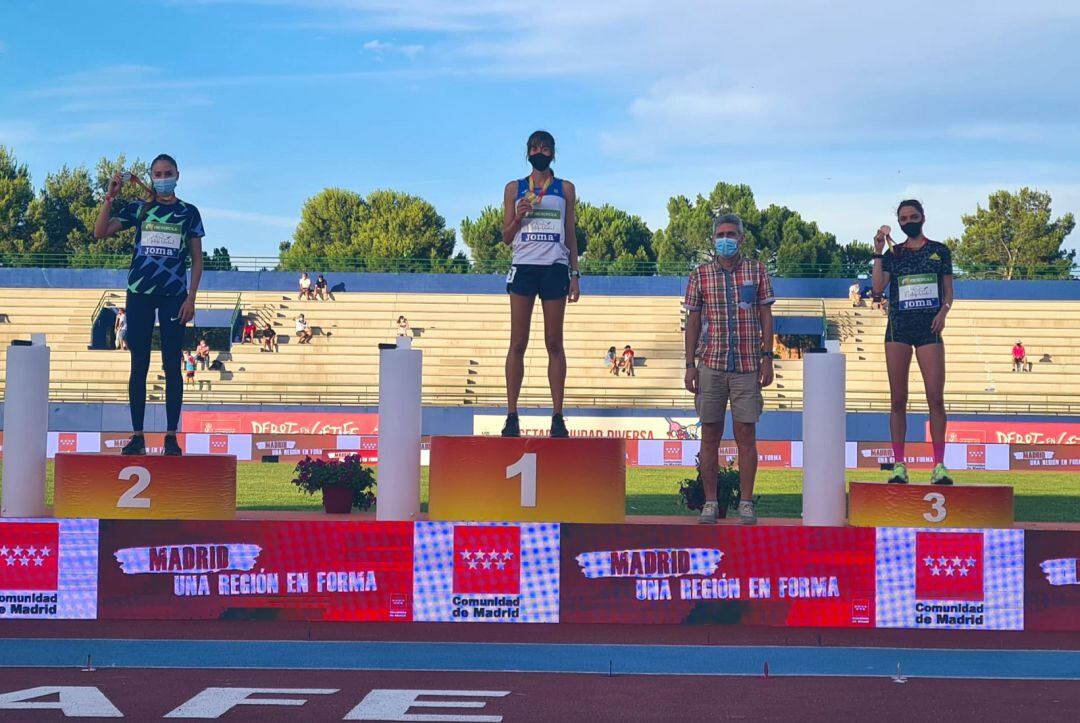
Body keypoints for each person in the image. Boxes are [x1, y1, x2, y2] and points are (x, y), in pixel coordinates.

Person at [93, 153, 203, 457]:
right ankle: (137, 436)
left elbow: (197, 259)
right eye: (158, 173)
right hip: (139, 293)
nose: (163, 177)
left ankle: (170, 437)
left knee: (172, 366)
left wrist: (191, 298)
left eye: (168, 172)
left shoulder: (188, 213)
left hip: (174, 297)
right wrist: (109, 197)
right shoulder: (140, 209)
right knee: (138, 365)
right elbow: (99, 232)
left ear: (178, 174)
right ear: (151, 176)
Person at [684, 213, 775, 525]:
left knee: (746, 434)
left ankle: (746, 502)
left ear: (742, 238)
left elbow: (766, 315)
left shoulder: (757, 271)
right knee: (709, 434)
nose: (726, 239)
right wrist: (689, 365)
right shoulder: (700, 275)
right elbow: (692, 322)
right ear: (713, 239)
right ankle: (710, 502)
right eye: (721, 233)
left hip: (748, 365)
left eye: (731, 234)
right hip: (711, 363)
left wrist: (767, 356)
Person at [499, 130, 581, 438]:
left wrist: (575, 273)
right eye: (535, 147)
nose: (540, 151)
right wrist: (518, 217)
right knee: (517, 342)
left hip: (555, 268)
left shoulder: (565, 188)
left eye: (546, 147)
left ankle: (558, 416)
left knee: (553, 342)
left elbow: (570, 232)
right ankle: (511, 415)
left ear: (553, 153)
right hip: (523, 267)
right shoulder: (514, 188)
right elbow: (506, 237)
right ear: (528, 152)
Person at [872, 199, 954, 485]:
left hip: (929, 330)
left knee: (936, 398)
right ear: (899, 222)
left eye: (913, 216)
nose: (908, 221)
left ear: (923, 217)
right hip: (898, 329)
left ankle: (939, 465)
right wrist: (878, 251)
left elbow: (948, 293)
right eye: (903, 218)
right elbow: (878, 287)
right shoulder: (894, 253)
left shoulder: (939, 251)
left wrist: (943, 312)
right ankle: (899, 464)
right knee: (898, 399)